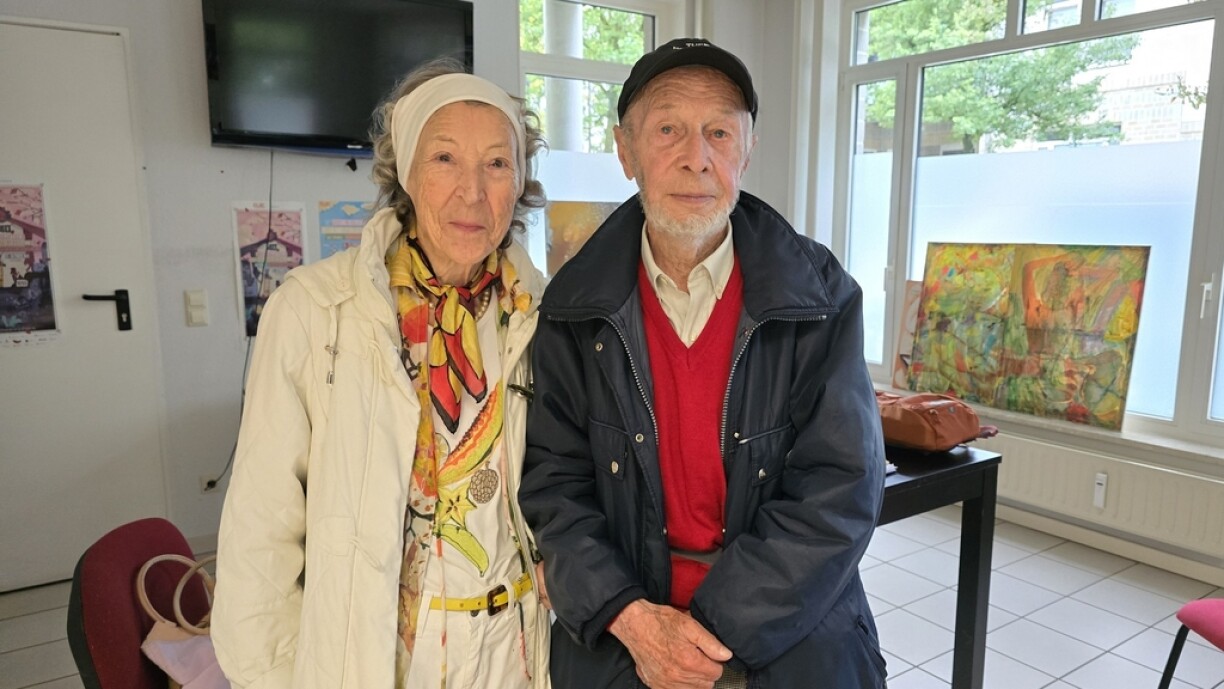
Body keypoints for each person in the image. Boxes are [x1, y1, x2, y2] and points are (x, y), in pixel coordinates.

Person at [519, 38, 886, 689]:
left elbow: (841, 486)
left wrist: (707, 637)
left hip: (787, 637)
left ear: (746, 150)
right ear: (625, 151)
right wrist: (634, 621)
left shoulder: (820, 294)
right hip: (624, 642)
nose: (698, 158)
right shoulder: (573, 307)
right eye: (669, 130)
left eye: (720, 131)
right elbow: (555, 484)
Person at [212, 60, 552, 689]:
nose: (472, 192)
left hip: (515, 648)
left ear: (521, 181)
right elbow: (261, 527)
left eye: (497, 164)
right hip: (382, 655)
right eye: (445, 158)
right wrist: (268, 676)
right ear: (407, 175)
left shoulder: (540, 315)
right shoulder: (316, 310)